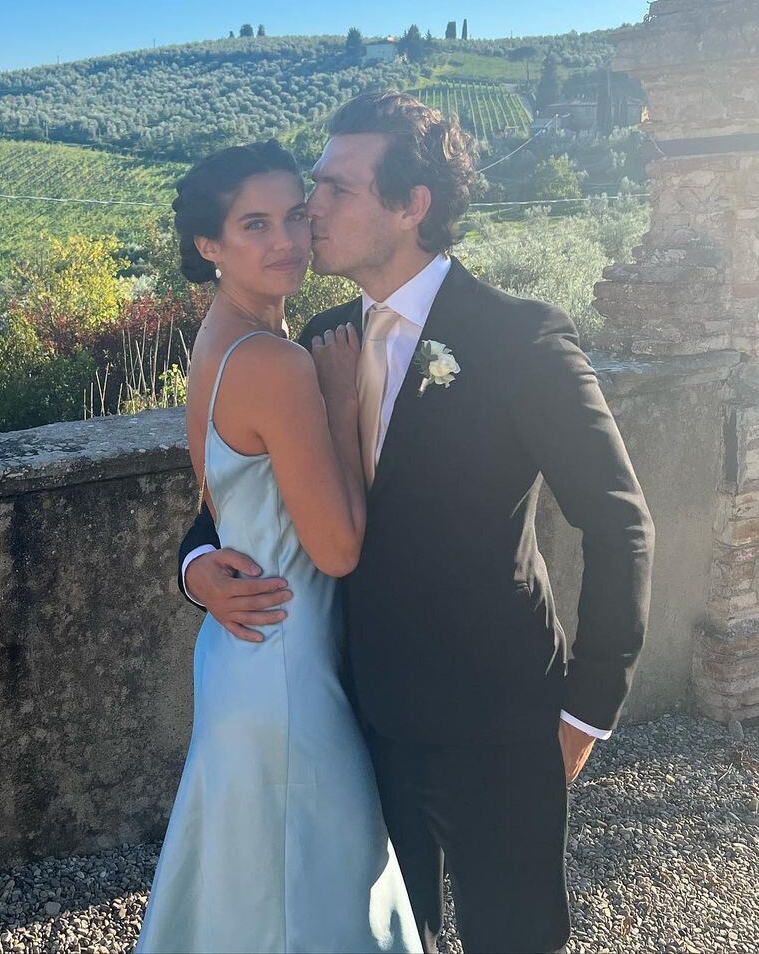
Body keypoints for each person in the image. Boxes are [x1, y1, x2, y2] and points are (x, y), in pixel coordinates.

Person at [178, 91, 655, 954]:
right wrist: (197, 566)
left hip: (496, 721)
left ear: (410, 206)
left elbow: (620, 526)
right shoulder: (316, 341)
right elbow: (244, 488)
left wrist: (585, 716)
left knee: (516, 938)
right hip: (356, 714)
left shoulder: (520, 341)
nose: (311, 211)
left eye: (335, 190)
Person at [136, 140, 419, 954]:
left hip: (244, 656)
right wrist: (339, 406)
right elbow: (337, 550)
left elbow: (223, 509)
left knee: (253, 899)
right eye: (254, 224)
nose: (287, 239)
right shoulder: (278, 363)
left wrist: (196, 569)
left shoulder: (217, 341)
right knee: (324, 902)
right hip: (290, 670)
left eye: (295, 215)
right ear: (210, 246)